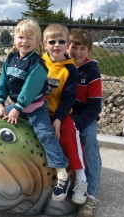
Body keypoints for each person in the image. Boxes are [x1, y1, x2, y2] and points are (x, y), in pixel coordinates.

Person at [0, 19, 70, 201]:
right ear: (14, 39)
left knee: (45, 134)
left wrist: (17, 108)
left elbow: (30, 88)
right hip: (16, 106)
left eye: (30, 38)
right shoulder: (10, 59)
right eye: (21, 37)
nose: (24, 41)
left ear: (37, 42)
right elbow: (3, 82)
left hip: (34, 107)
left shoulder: (37, 63)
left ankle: (61, 173)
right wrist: (1, 104)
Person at [42, 24, 88, 205]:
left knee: (69, 133)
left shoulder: (70, 70)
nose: (56, 45)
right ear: (44, 45)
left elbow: (69, 98)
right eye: (52, 41)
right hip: (39, 111)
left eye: (61, 41)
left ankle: (81, 176)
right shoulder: (38, 62)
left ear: (67, 44)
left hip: (60, 113)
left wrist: (59, 119)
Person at [68, 28, 102, 217]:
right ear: (68, 47)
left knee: (89, 142)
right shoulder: (64, 66)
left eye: (82, 48)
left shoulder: (92, 72)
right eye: (74, 47)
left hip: (85, 116)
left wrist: (78, 123)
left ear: (88, 51)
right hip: (66, 114)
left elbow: (95, 107)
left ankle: (91, 196)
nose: (77, 52)